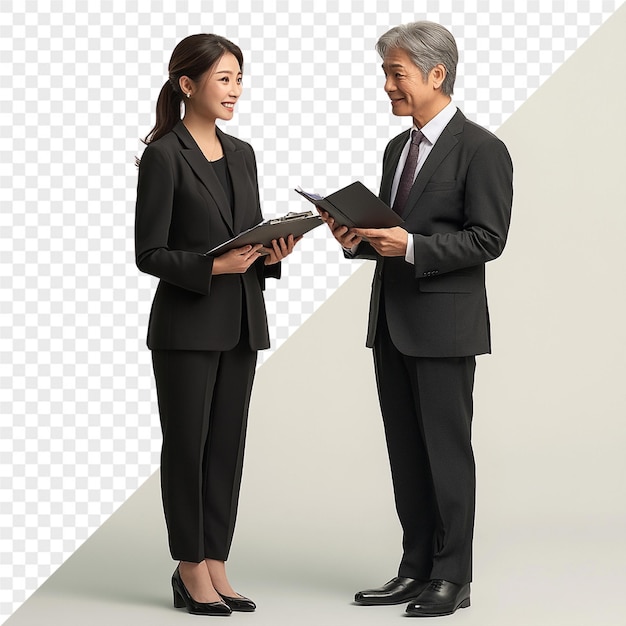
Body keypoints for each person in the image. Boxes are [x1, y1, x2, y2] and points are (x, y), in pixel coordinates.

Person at [319, 21, 513, 617]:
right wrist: (353, 236)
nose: (386, 86)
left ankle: (453, 577)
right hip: (392, 323)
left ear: (437, 74)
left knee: (446, 453)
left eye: (395, 73)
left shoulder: (482, 149)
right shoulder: (396, 149)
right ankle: (415, 569)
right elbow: (389, 232)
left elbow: (489, 238)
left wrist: (409, 246)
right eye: (385, 73)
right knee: (406, 452)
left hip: (444, 326)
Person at [135, 34, 298, 616]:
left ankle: (217, 564)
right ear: (188, 85)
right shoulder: (163, 155)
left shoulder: (244, 153)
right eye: (224, 79)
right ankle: (189, 569)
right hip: (186, 327)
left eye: (239, 79)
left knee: (227, 448)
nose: (235, 90)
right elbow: (148, 253)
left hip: (241, 323)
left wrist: (272, 252)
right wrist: (212, 265)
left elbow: (246, 235)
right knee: (187, 448)